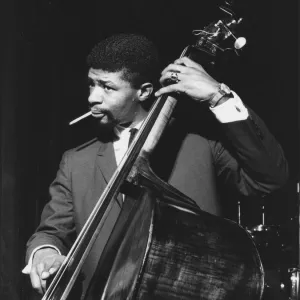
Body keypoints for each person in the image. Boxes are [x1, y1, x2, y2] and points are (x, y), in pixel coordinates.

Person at [22, 33, 288, 297]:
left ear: (145, 91)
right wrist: (45, 253)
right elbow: (51, 232)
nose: (93, 97)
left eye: (107, 87)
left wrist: (219, 98)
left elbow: (269, 179)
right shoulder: (76, 160)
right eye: (91, 84)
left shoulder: (200, 143)